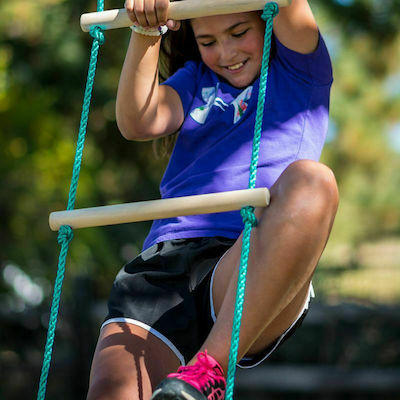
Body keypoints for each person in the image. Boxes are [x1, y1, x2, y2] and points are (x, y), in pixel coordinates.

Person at [86, 0, 339, 399]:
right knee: (110, 391)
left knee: (315, 180)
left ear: (266, 17)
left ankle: (209, 371)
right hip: (164, 264)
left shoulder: (300, 67)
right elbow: (138, 121)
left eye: (239, 33)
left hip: (249, 257)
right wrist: (146, 27)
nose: (226, 53)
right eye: (207, 40)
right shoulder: (195, 79)